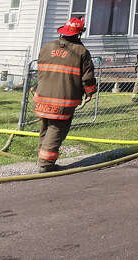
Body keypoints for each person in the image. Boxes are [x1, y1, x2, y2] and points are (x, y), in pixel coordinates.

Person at [33, 16, 96, 172]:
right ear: (78, 34)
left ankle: (41, 159)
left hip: (42, 97)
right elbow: (87, 78)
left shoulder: (47, 47)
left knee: (45, 127)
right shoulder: (81, 52)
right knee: (57, 128)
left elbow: (40, 71)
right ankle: (46, 164)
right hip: (63, 100)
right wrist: (89, 92)